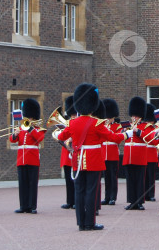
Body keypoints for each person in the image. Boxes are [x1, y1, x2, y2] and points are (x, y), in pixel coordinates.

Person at [55, 83, 128, 232]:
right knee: (90, 191)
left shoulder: (72, 123)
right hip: (94, 160)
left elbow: (61, 136)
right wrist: (127, 134)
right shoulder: (97, 123)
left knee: (79, 191)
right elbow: (114, 138)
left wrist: (56, 134)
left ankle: (81, 223)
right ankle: (90, 222)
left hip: (77, 160)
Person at [10, 98, 46, 214]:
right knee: (23, 183)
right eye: (27, 117)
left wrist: (30, 129)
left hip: (33, 158)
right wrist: (14, 134)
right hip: (21, 159)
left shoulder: (38, 129)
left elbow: (40, 138)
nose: (27, 119)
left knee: (32, 183)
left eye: (29, 117)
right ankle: (23, 206)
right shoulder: (21, 128)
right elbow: (12, 140)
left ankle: (32, 206)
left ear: (33, 117)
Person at [123, 96, 150, 210]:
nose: (134, 118)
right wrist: (125, 132)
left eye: (136, 116)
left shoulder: (145, 126)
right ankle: (131, 201)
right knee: (130, 179)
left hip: (139, 156)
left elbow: (148, 138)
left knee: (139, 179)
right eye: (133, 115)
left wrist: (137, 131)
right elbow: (123, 139)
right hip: (128, 156)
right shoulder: (127, 125)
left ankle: (139, 202)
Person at [58, 95, 76, 210]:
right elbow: (60, 138)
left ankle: (75, 201)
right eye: (72, 115)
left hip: (75, 154)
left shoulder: (77, 124)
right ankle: (69, 201)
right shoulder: (67, 124)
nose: (73, 116)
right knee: (68, 181)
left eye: (75, 114)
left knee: (75, 179)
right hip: (66, 154)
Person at [101, 98, 121, 206]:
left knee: (113, 177)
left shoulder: (117, 126)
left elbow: (117, 139)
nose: (108, 118)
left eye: (109, 116)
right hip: (104, 154)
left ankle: (113, 197)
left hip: (113, 154)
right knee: (106, 177)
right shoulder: (103, 126)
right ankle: (107, 197)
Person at [143, 103, 158, 203]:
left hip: (152, 153)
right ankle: (145, 194)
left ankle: (151, 194)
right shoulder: (143, 127)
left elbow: (154, 141)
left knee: (151, 176)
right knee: (144, 176)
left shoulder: (155, 128)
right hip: (143, 153)